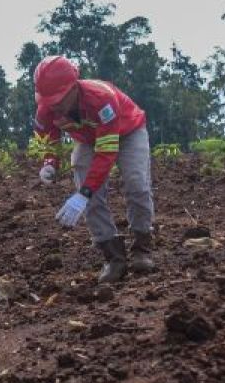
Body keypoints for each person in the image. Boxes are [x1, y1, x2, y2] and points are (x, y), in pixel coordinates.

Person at [31, 56, 156, 282]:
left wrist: (84, 193)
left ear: (74, 87)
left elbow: (106, 153)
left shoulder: (102, 99)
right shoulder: (46, 109)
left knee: (136, 184)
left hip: (128, 131)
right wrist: (49, 163)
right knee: (88, 190)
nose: (55, 105)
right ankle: (112, 256)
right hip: (88, 139)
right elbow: (48, 136)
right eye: (49, 101)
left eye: (59, 99)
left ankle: (142, 247)